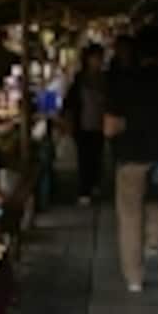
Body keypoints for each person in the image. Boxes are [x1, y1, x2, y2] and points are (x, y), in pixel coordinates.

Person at [104, 26, 158, 292]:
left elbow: (109, 127)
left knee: (130, 216)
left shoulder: (124, 81)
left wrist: (131, 125)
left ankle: (134, 278)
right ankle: (155, 245)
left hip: (131, 159)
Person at [63, 43, 108, 204]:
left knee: (97, 155)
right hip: (83, 124)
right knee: (84, 157)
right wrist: (68, 123)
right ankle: (84, 189)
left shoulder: (104, 79)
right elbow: (69, 103)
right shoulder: (79, 80)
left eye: (100, 58)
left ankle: (94, 184)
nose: (98, 61)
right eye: (95, 58)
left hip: (100, 123)